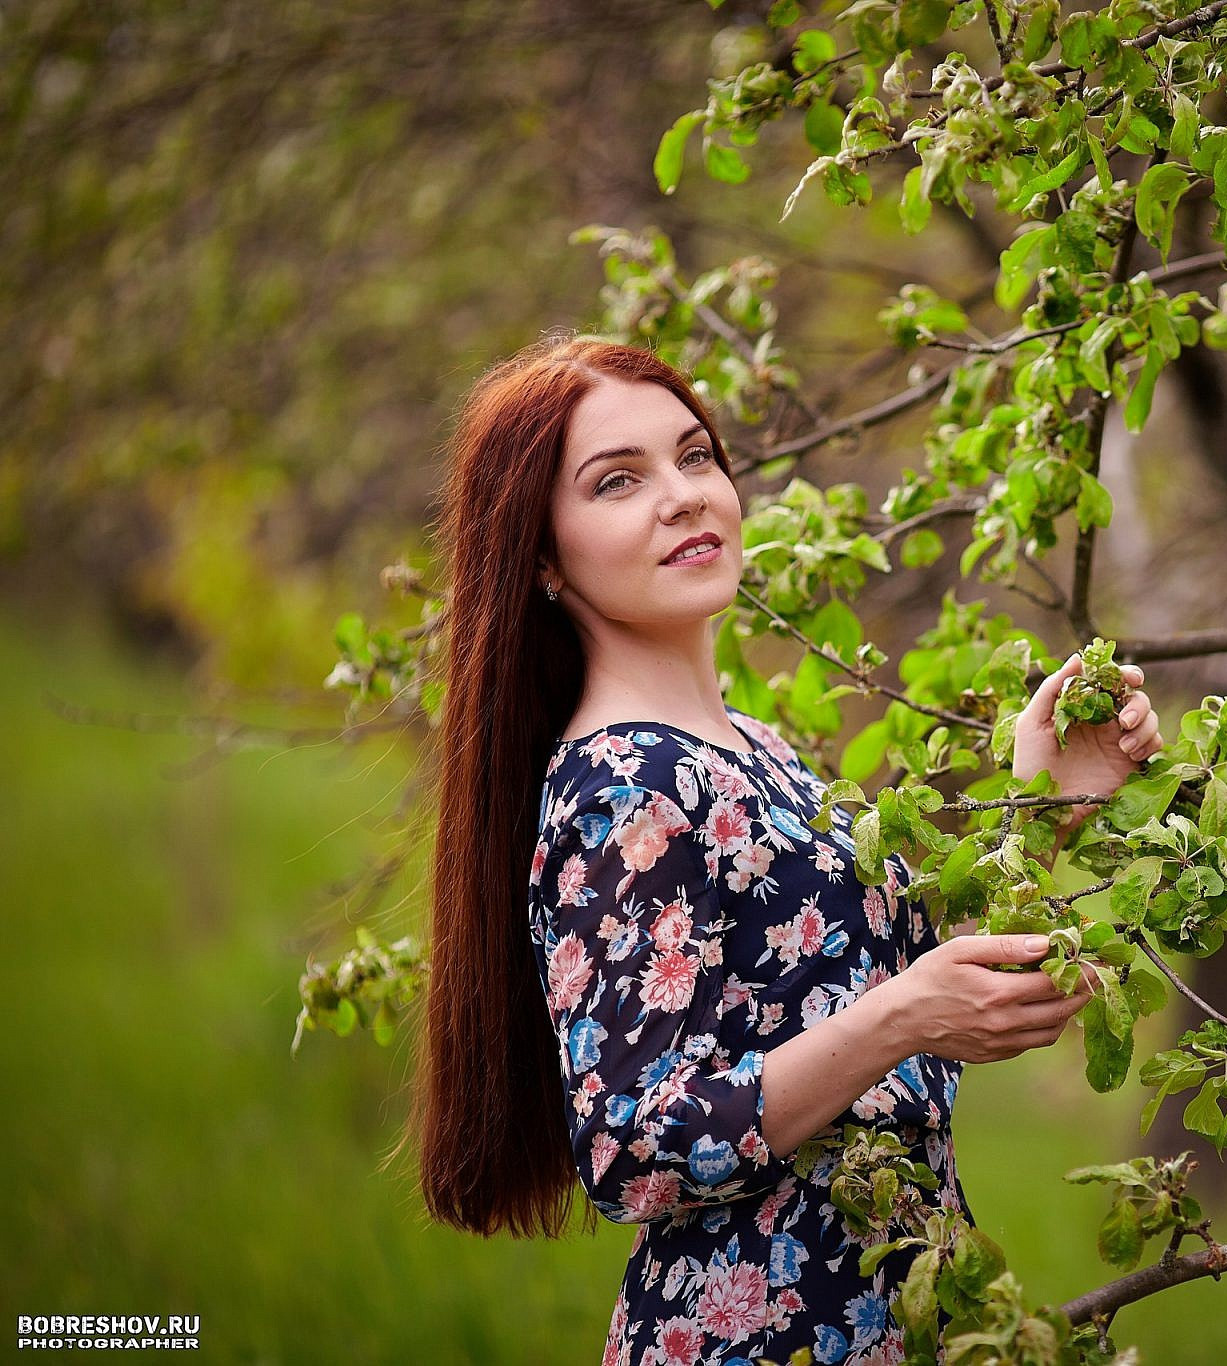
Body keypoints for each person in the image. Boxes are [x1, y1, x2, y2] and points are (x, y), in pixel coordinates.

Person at [409, 335, 1166, 1366]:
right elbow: (636, 1143)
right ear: (542, 554)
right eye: (617, 481)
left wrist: (1048, 797)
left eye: (694, 456)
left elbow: (853, 985)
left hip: (881, 1312)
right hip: (759, 1331)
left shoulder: (753, 747)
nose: (681, 496)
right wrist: (906, 1017)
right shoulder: (624, 788)